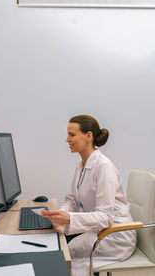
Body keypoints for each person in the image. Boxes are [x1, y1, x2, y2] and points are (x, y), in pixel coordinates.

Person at [42, 115, 136, 276]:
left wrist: (69, 219)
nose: (67, 139)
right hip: (99, 230)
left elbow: (106, 217)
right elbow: (72, 199)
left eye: (72, 135)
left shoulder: (104, 167)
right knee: (60, 249)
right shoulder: (81, 165)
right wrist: (60, 215)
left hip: (115, 236)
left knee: (64, 256)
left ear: (89, 136)